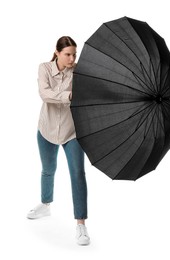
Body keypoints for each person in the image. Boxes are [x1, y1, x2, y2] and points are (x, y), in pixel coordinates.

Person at [27, 36, 90, 246]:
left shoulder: (81, 72)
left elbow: (89, 94)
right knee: (48, 169)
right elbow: (45, 94)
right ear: (57, 52)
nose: (72, 58)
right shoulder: (44, 68)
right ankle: (45, 204)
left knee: (77, 174)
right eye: (68, 54)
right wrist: (70, 95)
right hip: (46, 129)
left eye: (74, 54)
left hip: (72, 131)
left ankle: (81, 224)